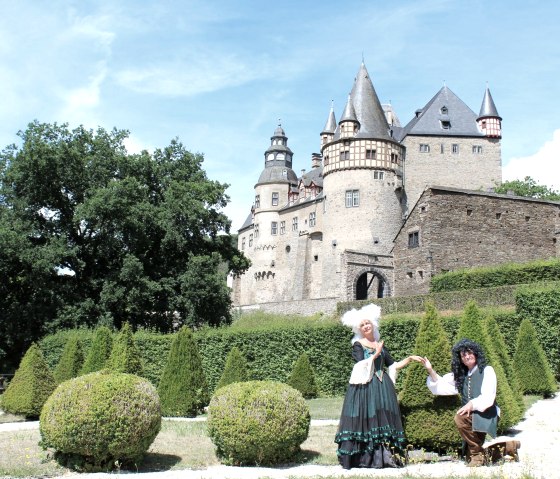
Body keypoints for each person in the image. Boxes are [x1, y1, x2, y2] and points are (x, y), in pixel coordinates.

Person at [335, 304, 422, 469]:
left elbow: (393, 365)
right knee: (369, 419)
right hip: (367, 387)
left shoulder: (379, 343)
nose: (366, 326)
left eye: (368, 323)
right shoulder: (358, 345)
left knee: (383, 417)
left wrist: (410, 358)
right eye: (362, 325)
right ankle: (366, 458)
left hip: (383, 386)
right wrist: (376, 354)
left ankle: (385, 456)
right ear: (359, 329)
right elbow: (361, 366)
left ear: (373, 324)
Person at [421, 338, 519, 466]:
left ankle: (477, 456)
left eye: (469, 353)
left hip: (487, 413)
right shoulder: (462, 376)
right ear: (460, 359)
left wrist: (471, 404)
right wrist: (430, 369)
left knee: (459, 418)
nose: (467, 357)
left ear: (476, 353)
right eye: (463, 355)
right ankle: (508, 447)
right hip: (472, 416)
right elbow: (442, 385)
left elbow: (488, 397)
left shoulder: (487, 370)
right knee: (468, 456)